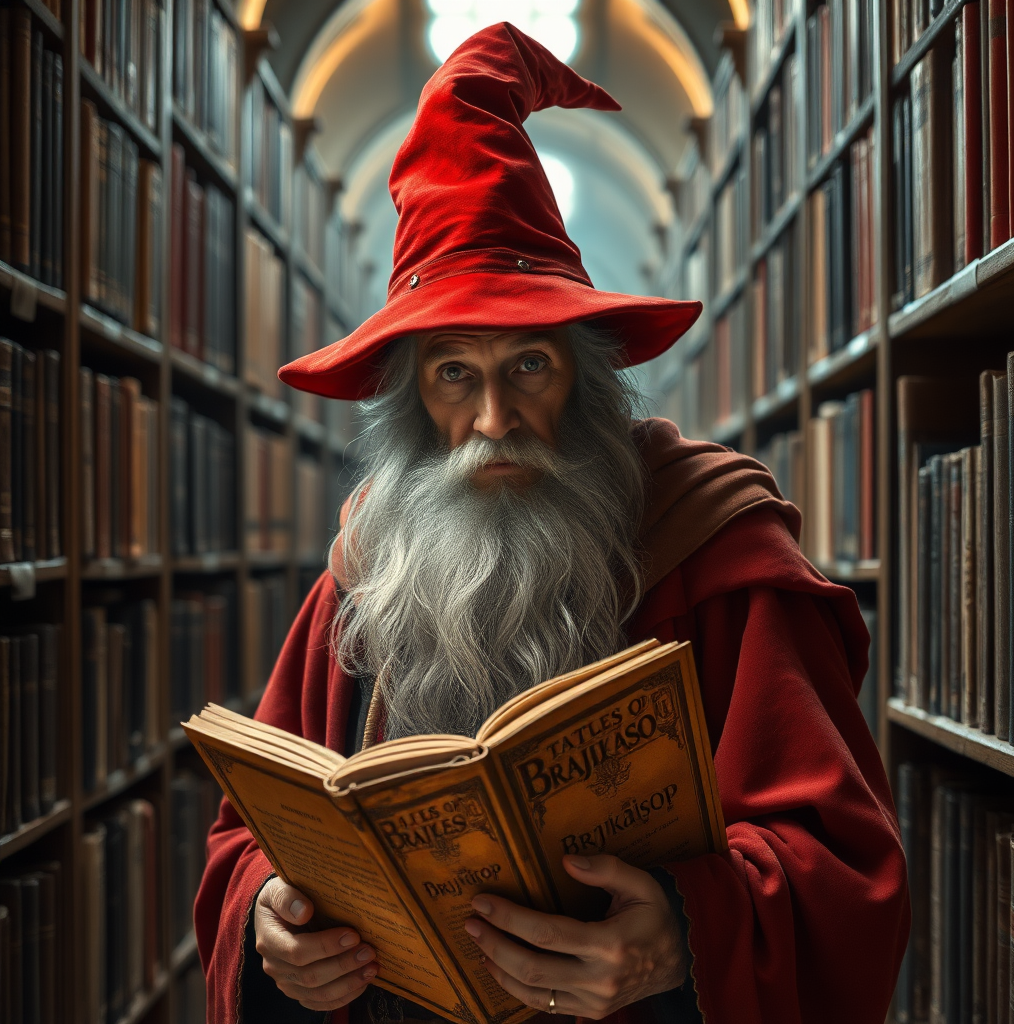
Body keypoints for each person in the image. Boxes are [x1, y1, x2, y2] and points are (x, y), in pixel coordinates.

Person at [195, 22, 910, 1024]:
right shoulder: (365, 566)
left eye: (529, 364)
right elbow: (247, 841)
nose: (493, 420)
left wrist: (683, 931)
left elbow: (843, 867)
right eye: (455, 374)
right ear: (411, 402)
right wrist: (267, 916)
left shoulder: (718, 549)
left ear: (586, 375)